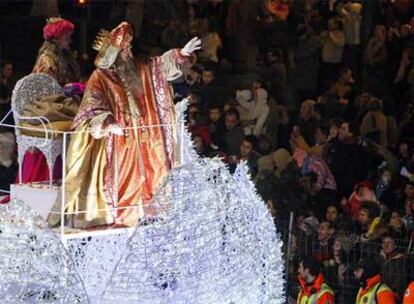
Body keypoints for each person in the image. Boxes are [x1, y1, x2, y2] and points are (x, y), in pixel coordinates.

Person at [58, 22, 201, 228]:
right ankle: (126, 219)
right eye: (125, 48)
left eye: (129, 46)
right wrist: (107, 123)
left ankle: (155, 216)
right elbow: (92, 105)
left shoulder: (140, 67)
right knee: (127, 180)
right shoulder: (101, 76)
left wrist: (180, 54)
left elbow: (159, 65)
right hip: (121, 139)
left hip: (148, 135)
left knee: (156, 171)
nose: (129, 51)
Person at [33, 17, 80, 86]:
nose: (70, 41)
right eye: (67, 37)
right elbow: (48, 88)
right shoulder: (47, 60)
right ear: (57, 38)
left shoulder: (65, 56)